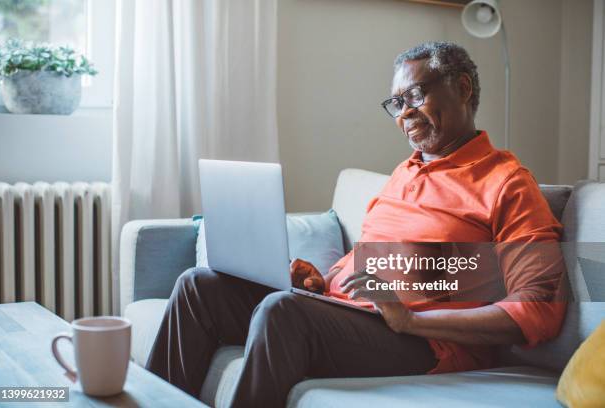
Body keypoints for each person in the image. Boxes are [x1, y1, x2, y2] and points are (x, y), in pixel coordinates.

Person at [145, 41, 566, 408]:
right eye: (396, 104)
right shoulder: (405, 172)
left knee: (282, 312)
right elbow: (373, 260)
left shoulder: (506, 182)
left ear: (462, 88)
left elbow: (539, 306)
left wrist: (412, 321)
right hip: (353, 314)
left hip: (422, 343)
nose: (404, 114)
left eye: (414, 95)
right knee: (198, 287)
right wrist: (322, 281)